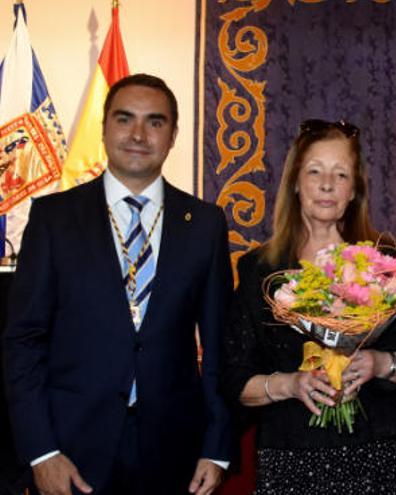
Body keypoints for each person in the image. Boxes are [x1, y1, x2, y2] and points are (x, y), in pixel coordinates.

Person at [2, 73, 233, 494]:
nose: (139, 134)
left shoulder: (204, 224)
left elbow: (220, 347)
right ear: (105, 128)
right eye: (125, 119)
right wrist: (41, 452)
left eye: (155, 122)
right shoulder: (53, 218)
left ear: (173, 134)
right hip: (70, 450)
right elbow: (23, 341)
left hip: (174, 451)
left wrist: (216, 447)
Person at [219, 119, 396, 495]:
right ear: (295, 184)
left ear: (355, 190)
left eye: (340, 174)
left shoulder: (391, 263)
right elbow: (234, 380)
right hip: (290, 458)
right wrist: (289, 384)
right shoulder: (261, 271)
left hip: (378, 456)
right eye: (315, 171)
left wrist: (380, 364)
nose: (326, 185)